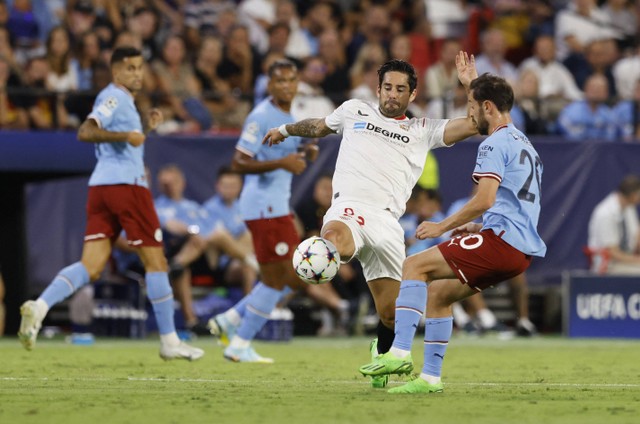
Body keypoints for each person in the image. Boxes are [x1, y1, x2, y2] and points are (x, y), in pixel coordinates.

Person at [262, 55, 478, 387]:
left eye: (400, 89)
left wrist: (469, 85)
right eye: (387, 87)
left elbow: (476, 123)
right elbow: (319, 126)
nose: (392, 94)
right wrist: (284, 130)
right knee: (334, 236)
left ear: (412, 95)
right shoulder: (354, 110)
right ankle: (322, 255)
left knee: (391, 315)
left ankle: (381, 350)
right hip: (348, 208)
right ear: (378, 89)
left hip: (388, 223)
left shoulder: (423, 129)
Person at [358, 70, 546, 394]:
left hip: (503, 243)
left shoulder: (493, 143)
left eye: (472, 105)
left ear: (487, 107)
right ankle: (430, 378)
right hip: (519, 248)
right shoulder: (524, 143)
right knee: (440, 294)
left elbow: (484, 199)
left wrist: (443, 226)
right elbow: (513, 203)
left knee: (414, 265)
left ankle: (399, 352)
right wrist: (480, 226)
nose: (469, 114)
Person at [17, 47, 204, 361]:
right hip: (127, 186)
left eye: (140, 68)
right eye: (129, 68)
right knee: (156, 262)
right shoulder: (114, 96)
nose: (136, 74)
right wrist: (126, 136)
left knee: (90, 266)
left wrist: (144, 129)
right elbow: (85, 131)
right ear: (115, 71)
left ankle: (41, 305)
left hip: (101, 188)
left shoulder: (123, 100)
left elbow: (125, 140)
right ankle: (170, 340)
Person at [208, 59, 318, 363]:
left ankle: (230, 321)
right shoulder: (260, 116)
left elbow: (281, 154)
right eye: (280, 81)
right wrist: (283, 163)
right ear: (269, 85)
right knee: (285, 279)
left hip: (274, 206)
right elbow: (238, 162)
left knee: (282, 278)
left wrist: (302, 152)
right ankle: (239, 342)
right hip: (264, 206)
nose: (286, 85)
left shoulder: (286, 116)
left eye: (291, 79)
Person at [587, 175, 640, 275]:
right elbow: (612, 253)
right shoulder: (605, 213)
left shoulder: (629, 208)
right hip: (607, 265)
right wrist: (637, 260)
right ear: (633, 195)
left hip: (626, 261)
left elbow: (636, 236)